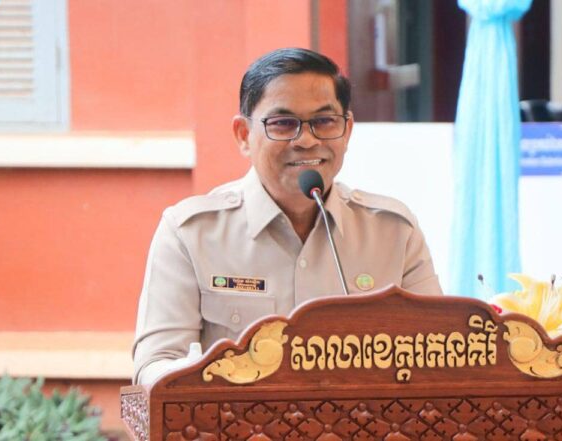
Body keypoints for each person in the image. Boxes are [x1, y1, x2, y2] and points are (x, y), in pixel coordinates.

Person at [132, 48, 443, 385]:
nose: (307, 140)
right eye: (283, 124)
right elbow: (155, 368)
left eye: (324, 122)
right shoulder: (190, 234)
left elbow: (440, 358)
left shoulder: (393, 232)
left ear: (347, 130)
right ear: (243, 135)